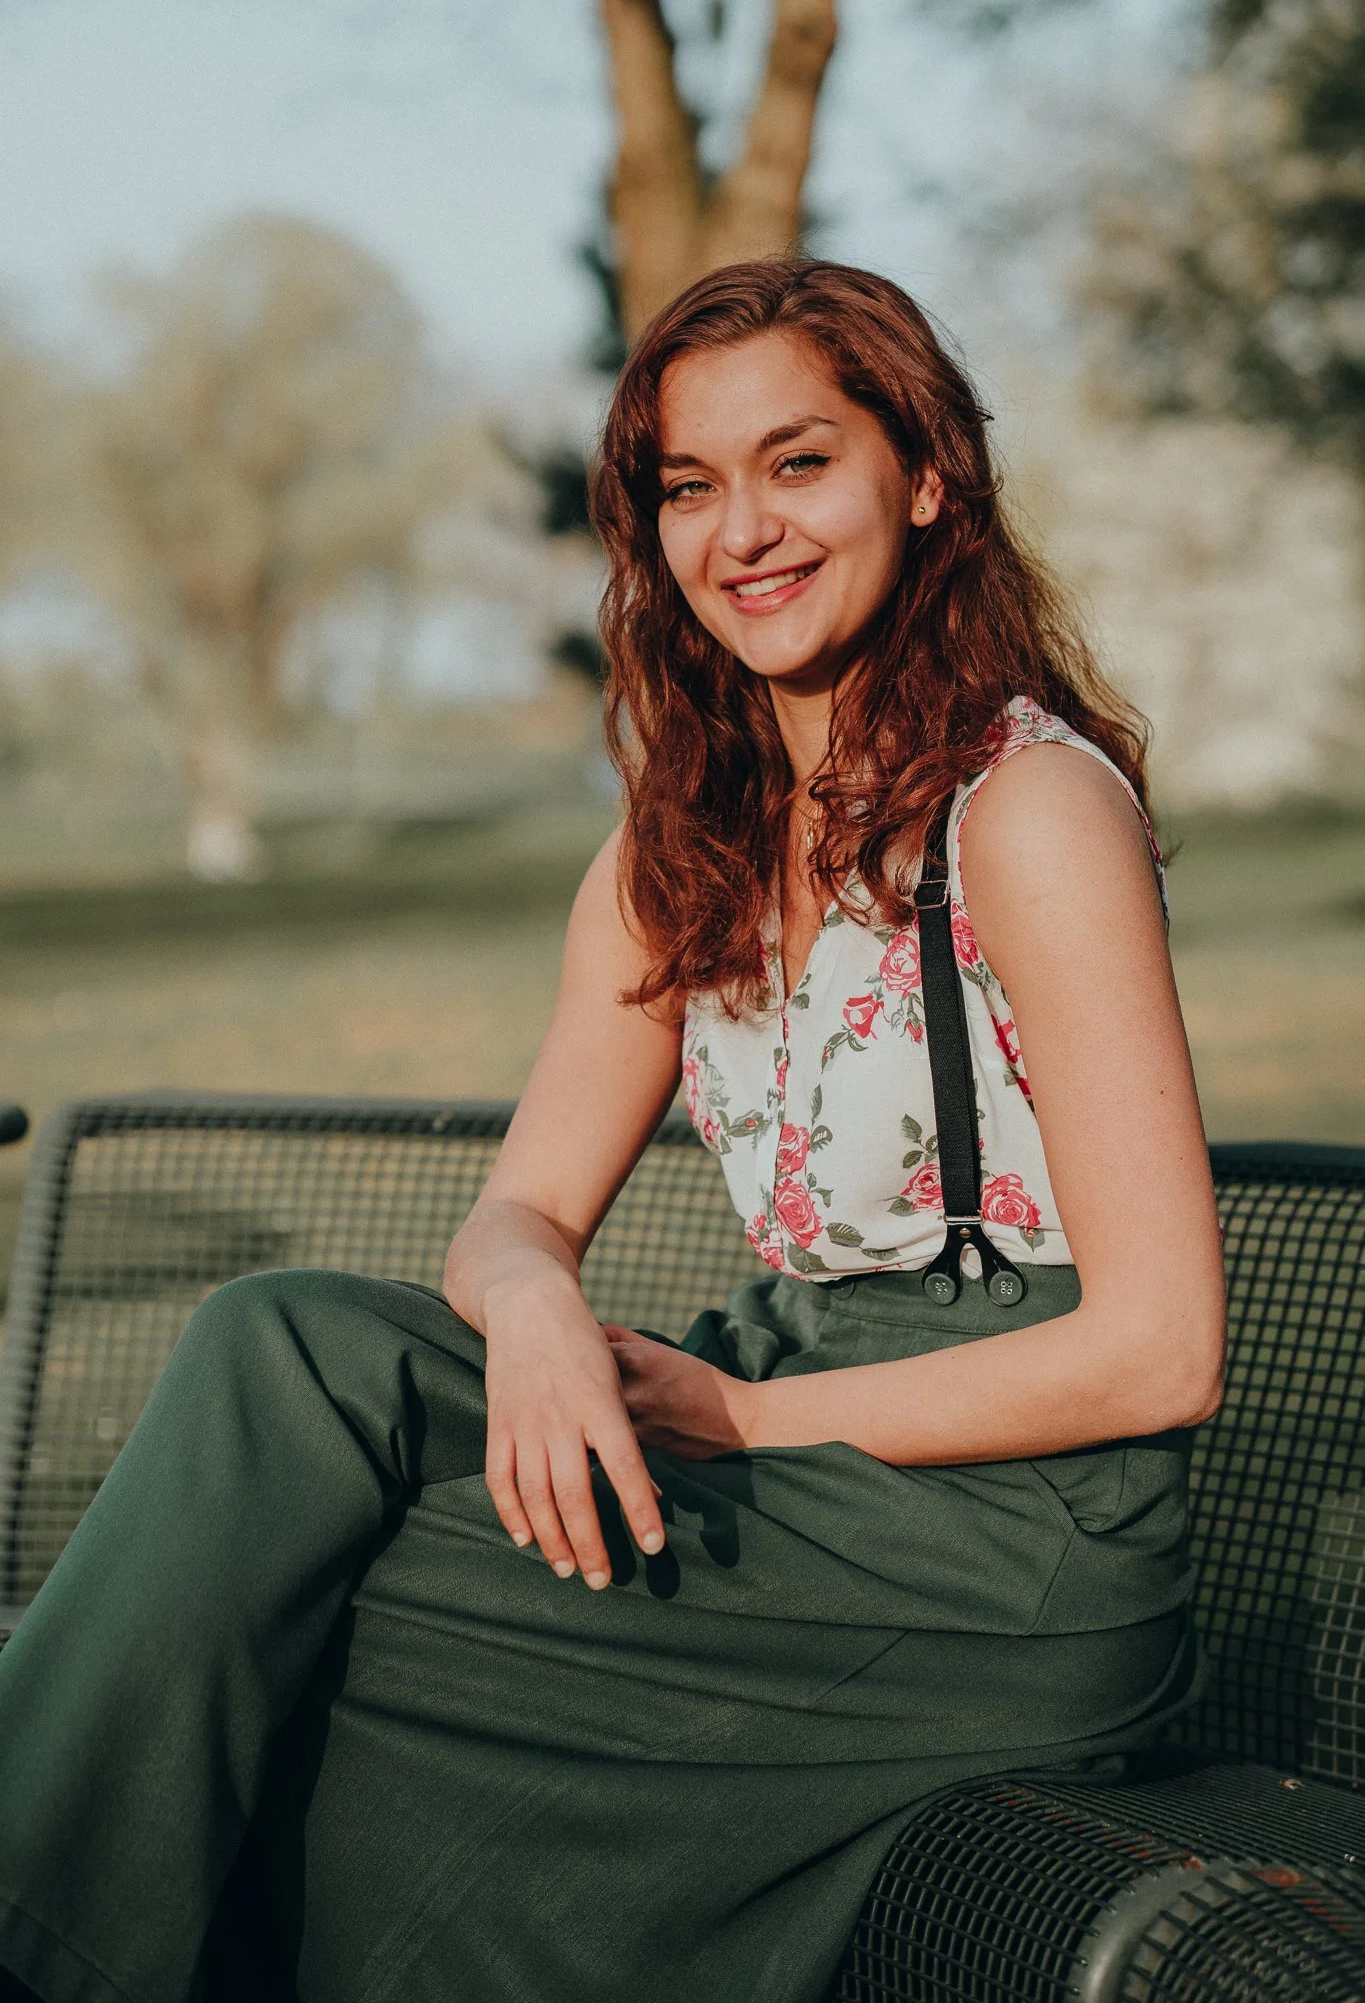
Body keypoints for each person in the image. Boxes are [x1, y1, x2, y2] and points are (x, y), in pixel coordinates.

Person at [0, 259, 1226, 2003]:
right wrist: (542, 1318)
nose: (745, 532)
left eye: (800, 463)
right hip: (786, 1424)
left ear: (927, 475)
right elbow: (512, 1220)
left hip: (1013, 1530)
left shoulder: (1024, 811)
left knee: (366, 1590)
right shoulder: (685, 848)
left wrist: (739, 1412)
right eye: (689, 488)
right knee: (287, 1345)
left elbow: (1161, 1354)